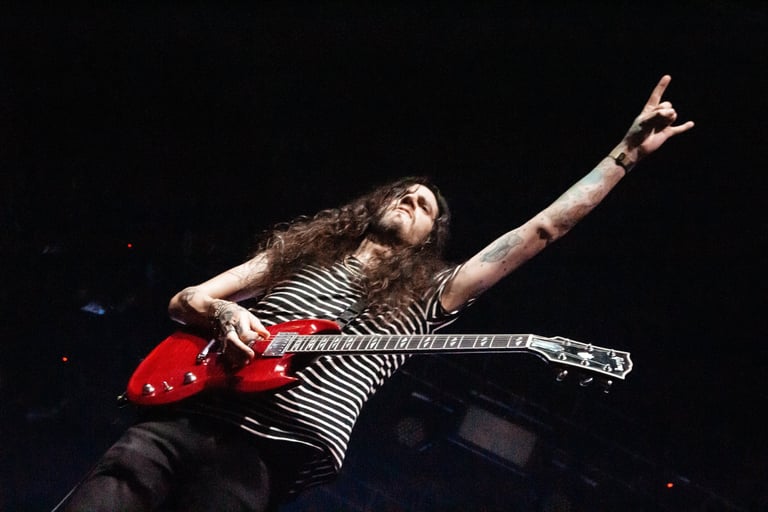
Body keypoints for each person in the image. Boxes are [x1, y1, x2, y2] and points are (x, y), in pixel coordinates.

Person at [58, 75, 693, 512]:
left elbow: (541, 231)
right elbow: (186, 300)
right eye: (405, 194)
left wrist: (623, 155)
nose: (412, 200)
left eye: (426, 207)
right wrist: (224, 312)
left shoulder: (429, 294)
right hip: (186, 415)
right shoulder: (298, 254)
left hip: (266, 454)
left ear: (429, 238)